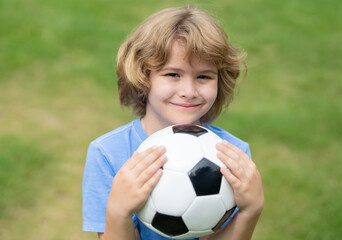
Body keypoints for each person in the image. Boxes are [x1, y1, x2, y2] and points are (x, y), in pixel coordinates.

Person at [82, 5, 264, 240]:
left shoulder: (231, 154)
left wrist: (251, 210)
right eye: (172, 74)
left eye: (203, 76)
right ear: (143, 76)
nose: (189, 91)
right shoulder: (107, 153)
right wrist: (118, 211)